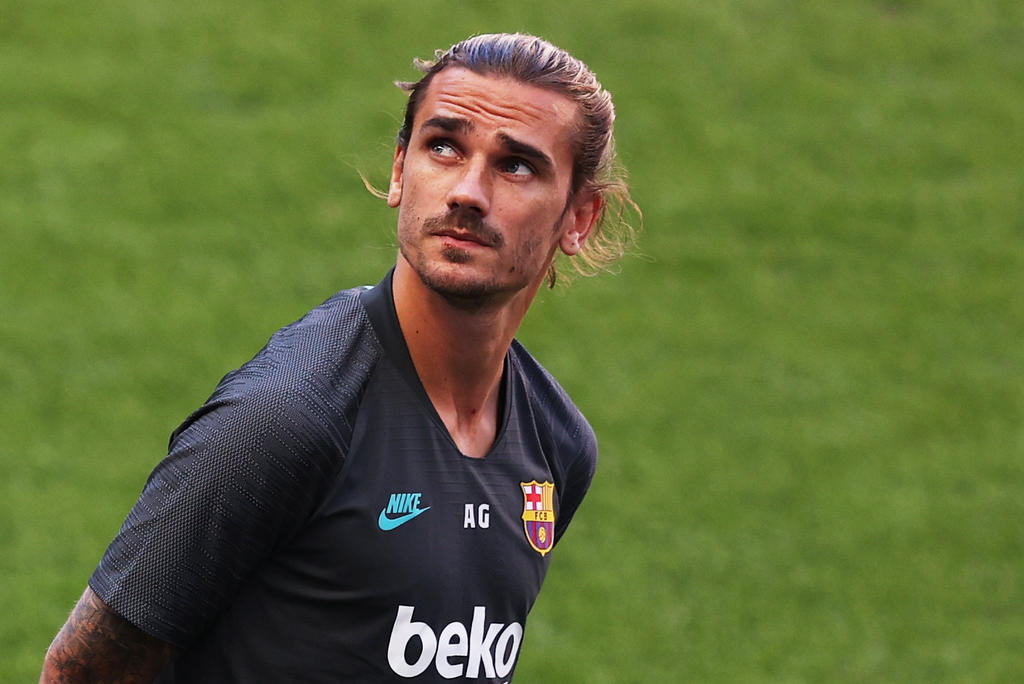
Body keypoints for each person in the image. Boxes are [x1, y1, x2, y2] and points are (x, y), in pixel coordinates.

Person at [41, 32, 637, 682]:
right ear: (400, 170)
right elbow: (81, 673)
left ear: (580, 218)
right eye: (443, 146)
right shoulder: (284, 420)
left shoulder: (555, 446)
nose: (468, 191)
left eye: (516, 165)